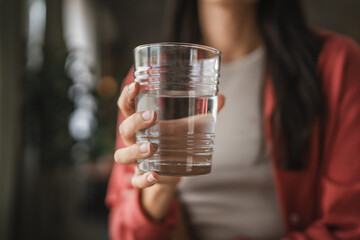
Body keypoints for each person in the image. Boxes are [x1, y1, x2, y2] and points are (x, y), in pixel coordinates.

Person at [106, 0, 360, 239]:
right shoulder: (148, 79)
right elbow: (123, 232)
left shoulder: (337, 64)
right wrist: (159, 188)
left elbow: (349, 226)